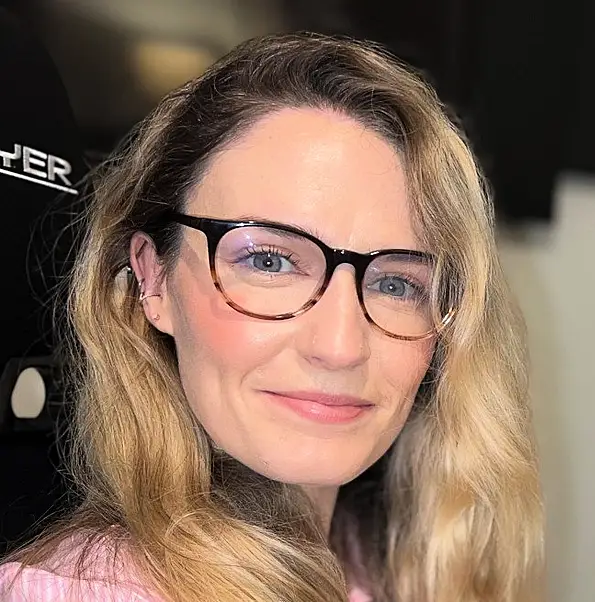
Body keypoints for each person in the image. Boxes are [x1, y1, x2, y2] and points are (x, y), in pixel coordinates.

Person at [0, 32, 543, 602]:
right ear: (152, 278)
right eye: (269, 260)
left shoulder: (399, 572)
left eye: (396, 283)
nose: (340, 346)